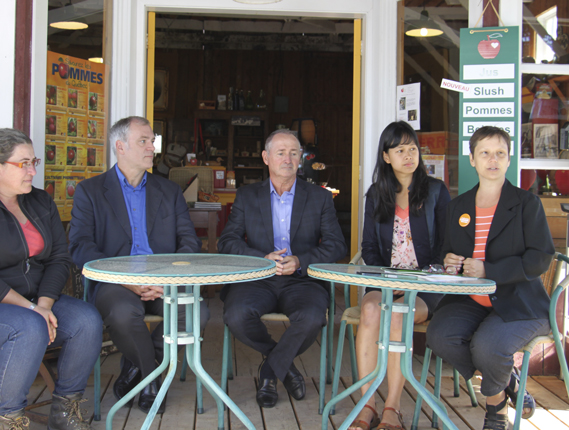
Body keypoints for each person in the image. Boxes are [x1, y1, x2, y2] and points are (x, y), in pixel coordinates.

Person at [0, 127, 102, 430]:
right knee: (29, 327)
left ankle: (65, 409)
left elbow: (58, 259)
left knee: (86, 319)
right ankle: (8, 419)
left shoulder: (39, 201)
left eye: (34, 162)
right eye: (23, 164)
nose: (32, 171)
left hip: (30, 302)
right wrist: (32, 310)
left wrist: (44, 303)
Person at [69, 116, 209, 413]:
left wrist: (168, 278)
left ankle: (136, 371)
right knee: (123, 312)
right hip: (115, 283)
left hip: (164, 280)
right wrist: (124, 279)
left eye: (152, 141)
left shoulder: (168, 191)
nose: (152, 148)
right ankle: (151, 382)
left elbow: (189, 242)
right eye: (143, 141)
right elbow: (80, 246)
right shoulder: (90, 191)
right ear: (120, 146)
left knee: (196, 311)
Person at [426, 126, 554, 430]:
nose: (492, 160)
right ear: (473, 159)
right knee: (439, 336)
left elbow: (540, 258)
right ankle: (507, 381)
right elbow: (448, 252)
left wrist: (489, 270)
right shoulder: (457, 206)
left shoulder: (526, 204)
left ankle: (495, 408)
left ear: (509, 160)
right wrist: (450, 261)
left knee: (486, 347)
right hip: (472, 300)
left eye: (500, 153)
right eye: (485, 153)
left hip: (519, 302)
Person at [218, 129, 347, 408]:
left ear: (301, 158)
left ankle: (269, 371)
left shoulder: (319, 197)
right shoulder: (247, 195)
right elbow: (227, 241)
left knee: (312, 317)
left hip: (302, 280)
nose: (288, 158)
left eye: (294, 152)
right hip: (258, 278)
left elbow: (337, 246)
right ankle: (283, 366)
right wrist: (261, 259)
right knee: (236, 314)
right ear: (266, 157)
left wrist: (300, 260)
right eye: (280, 152)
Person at [350, 121, 450, 430]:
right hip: (385, 280)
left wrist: (413, 282)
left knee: (397, 316)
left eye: (413, 148)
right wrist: (387, 280)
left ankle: (392, 407)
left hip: (425, 285)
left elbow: (444, 246)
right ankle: (367, 406)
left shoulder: (435, 191)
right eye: (400, 149)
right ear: (386, 156)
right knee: (369, 309)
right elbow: (368, 246)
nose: (409, 155)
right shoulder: (376, 194)